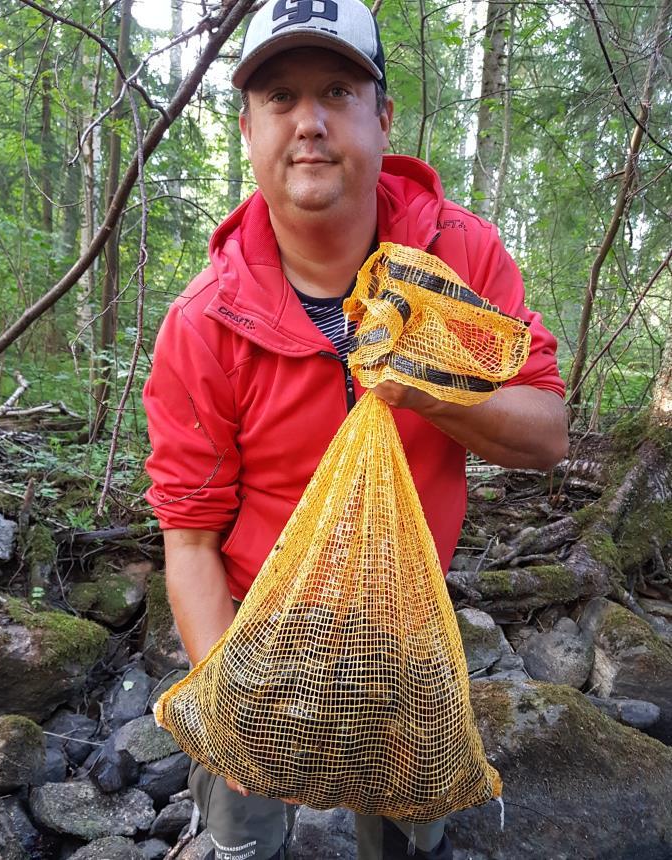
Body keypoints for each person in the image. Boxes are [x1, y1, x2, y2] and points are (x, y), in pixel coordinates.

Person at [143, 1, 568, 857]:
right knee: (241, 824)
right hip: (258, 632)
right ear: (247, 128)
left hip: (402, 625)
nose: (308, 122)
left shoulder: (458, 262)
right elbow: (188, 541)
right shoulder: (206, 320)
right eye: (280, 97)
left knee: (410, 825)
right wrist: (226, 707)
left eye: (336, 90)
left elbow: (545, 433)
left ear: (381, 116)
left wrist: (437, 393)